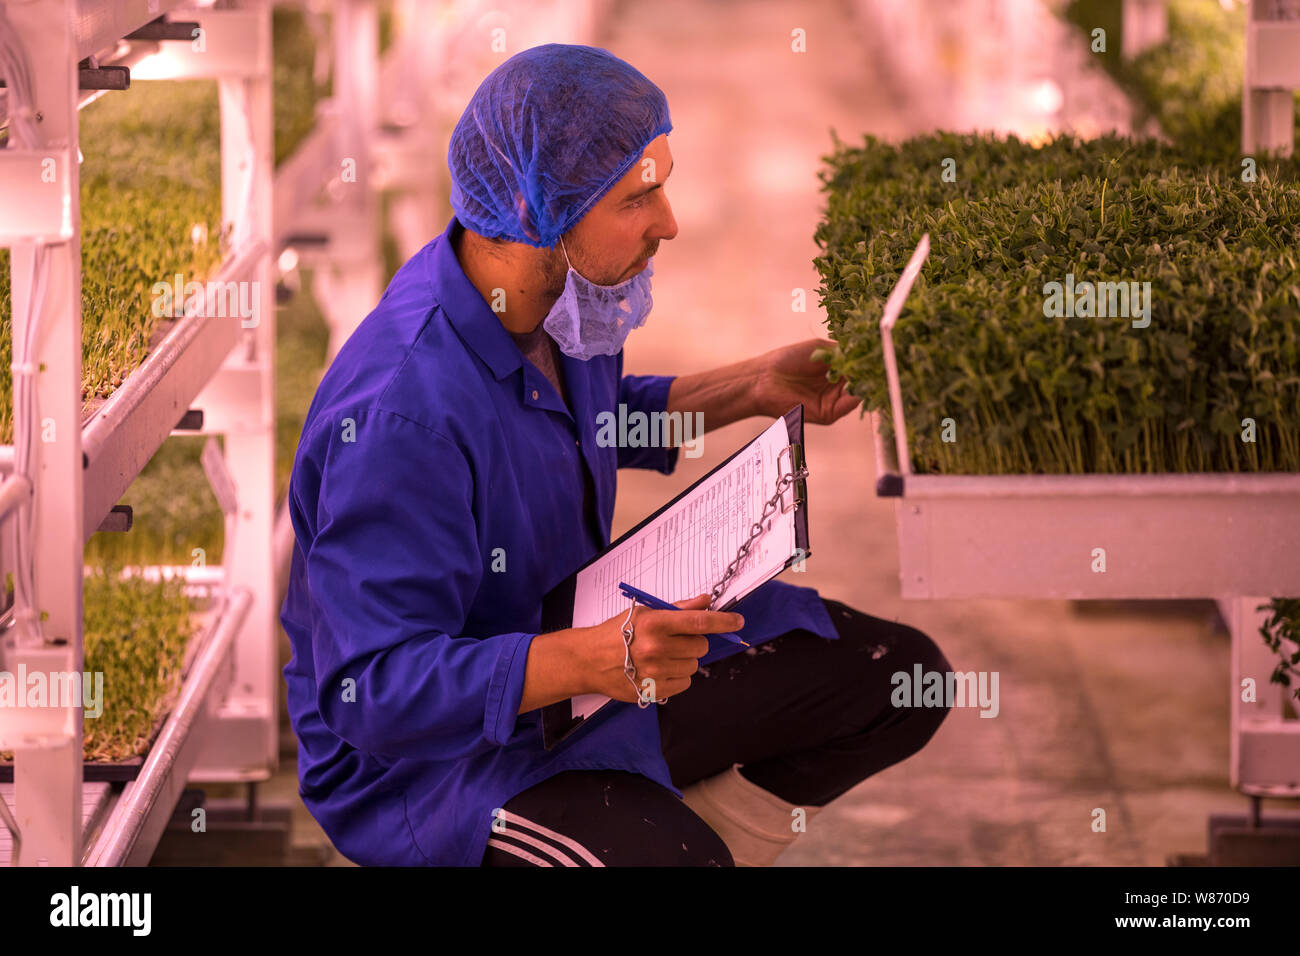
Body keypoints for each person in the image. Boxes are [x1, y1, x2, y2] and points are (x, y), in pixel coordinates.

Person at [281, 43, 951, 867]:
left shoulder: (562, 305)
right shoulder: (400, 415)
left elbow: (590, 424)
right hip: (434, 768)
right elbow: (373, 692)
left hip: (585, 657)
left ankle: (645, 826)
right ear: (536, 211)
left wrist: (749, 387)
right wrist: (595, 656)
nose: (669, 223)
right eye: (640, 196)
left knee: (901, 678)